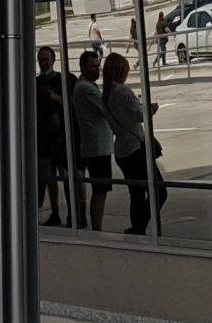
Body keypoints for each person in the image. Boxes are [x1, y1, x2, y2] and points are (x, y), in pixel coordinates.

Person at [104, 52, 163, 235]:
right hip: (135, 148)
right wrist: (151, 108)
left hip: (122, 150)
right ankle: (140, 224)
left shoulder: (105, 95)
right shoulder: (123, 91)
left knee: (136, 192)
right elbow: (140, 115)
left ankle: (137, 227)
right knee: (159, 191)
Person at [70, 50, 112, 231]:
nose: (96, 70)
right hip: (96, 145)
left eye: (97, 66)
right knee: (100, 189)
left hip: (97, 144)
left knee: (101, 189)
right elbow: (105, 109)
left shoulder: (88, 86)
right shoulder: (85, 88)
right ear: (82, 68)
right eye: (92, 67)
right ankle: (97, 227)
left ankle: (97, 226)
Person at [35, 46, 67, 226]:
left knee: (67, 175)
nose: (43, 63)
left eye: (46, 59)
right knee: (49, 177)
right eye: (40, 60)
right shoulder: (35, 83)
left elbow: (71, 104)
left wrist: (55, 98)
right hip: (43, 139)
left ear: (53, 60)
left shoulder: (63, 80)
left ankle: (74, 212)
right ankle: (55, 212)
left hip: (61, 136)